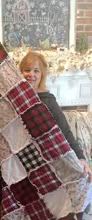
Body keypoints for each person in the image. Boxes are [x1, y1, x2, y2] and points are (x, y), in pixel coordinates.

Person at [19, 51, 92, 182]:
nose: (31, 75)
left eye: (36, 71)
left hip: (45, 159)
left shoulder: (47, 100)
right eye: (27, 70)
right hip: (21, 159)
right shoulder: (15, 99)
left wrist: (80, 158)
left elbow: (64, 130)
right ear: (20, 72)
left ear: (42, 75)